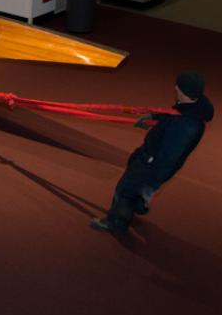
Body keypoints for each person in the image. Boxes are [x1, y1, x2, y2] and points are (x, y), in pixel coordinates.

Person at [91, 71, 214, 234]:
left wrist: (152, 181)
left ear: (183, 90)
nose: (175, 87)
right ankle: (135, 205)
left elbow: (169, 157)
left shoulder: (186, 126)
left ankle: (116, 223)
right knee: (134, 186)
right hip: (150, 155)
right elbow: (173, 115)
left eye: (179, 86)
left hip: (151, 162)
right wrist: (154, 117)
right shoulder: (192, 107)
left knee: (126, 189)